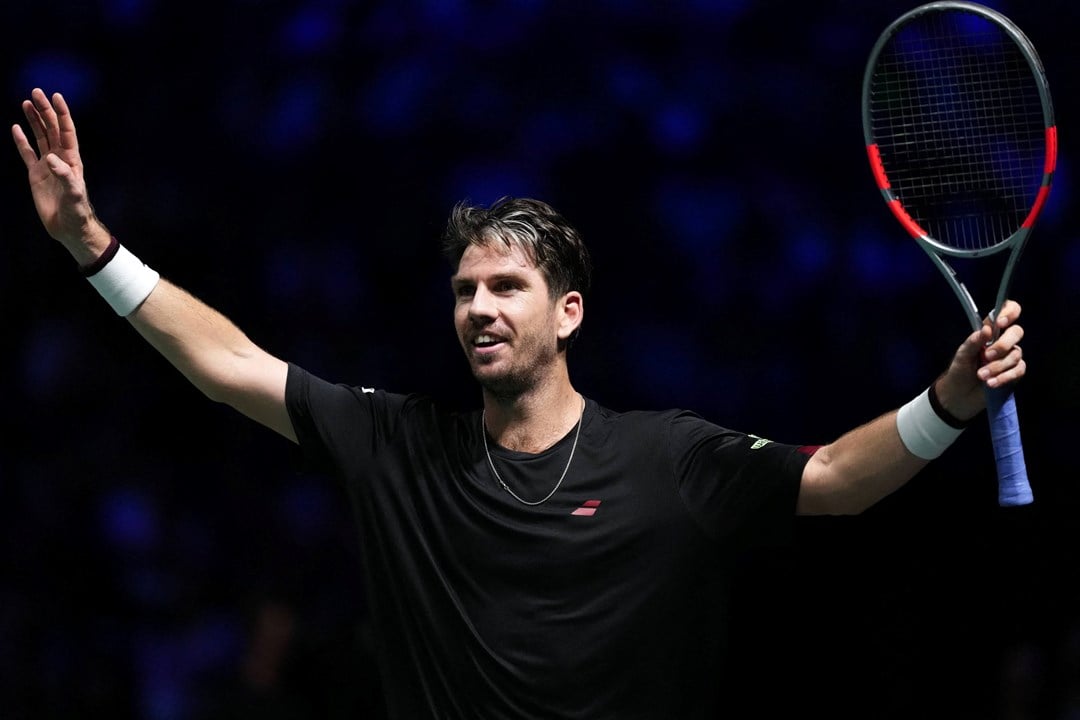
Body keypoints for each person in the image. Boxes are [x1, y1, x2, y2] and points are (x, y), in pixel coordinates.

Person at [12, 88, 1027, 719]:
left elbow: (841, 482)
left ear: (569, 312)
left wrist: (948, 398)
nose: (479, 307)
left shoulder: (668, 458)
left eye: (506, 287)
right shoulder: (397, 444)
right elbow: (225, 360)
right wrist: (93, 249)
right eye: (463, 290)